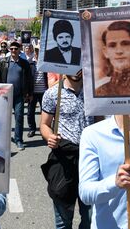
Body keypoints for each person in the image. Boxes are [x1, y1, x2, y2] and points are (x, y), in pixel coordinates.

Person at [40, 71, 95, 229]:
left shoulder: (94, 92)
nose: (76, 71)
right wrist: (49, 137)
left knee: (90, 218)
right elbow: (44, 124)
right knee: (63, 221)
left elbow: (100, 124)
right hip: (64, 160)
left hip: (90, 160)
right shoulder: (52, 94)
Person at [94, 21, 130, 97]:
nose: (119, 51)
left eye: (125, 44)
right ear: (105, 52)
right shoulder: (98, 91)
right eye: (112, 45)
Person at [0, 41, 33, 151]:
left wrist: (30, 94)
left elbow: (29, 79)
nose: (13, 51)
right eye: (11, 49)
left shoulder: (24, 63)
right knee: (3, 118)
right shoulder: (3, 63)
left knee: (19, 118)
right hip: (5, 95)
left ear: (19, 50)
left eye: (15, 49)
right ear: (9, 50)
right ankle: (1, 139)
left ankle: (18, 140)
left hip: (19, 96)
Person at [27, 47, 47, 138]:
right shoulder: (30, 62)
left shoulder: (46, 62)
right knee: (30, 112)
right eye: (36, 51)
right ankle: (32, 129)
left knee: (45, 112)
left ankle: (44, 130)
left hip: (44, 92)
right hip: (33, 92)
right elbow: (26, 78)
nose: (37, 52)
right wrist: (28, 92)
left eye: (39, 51)